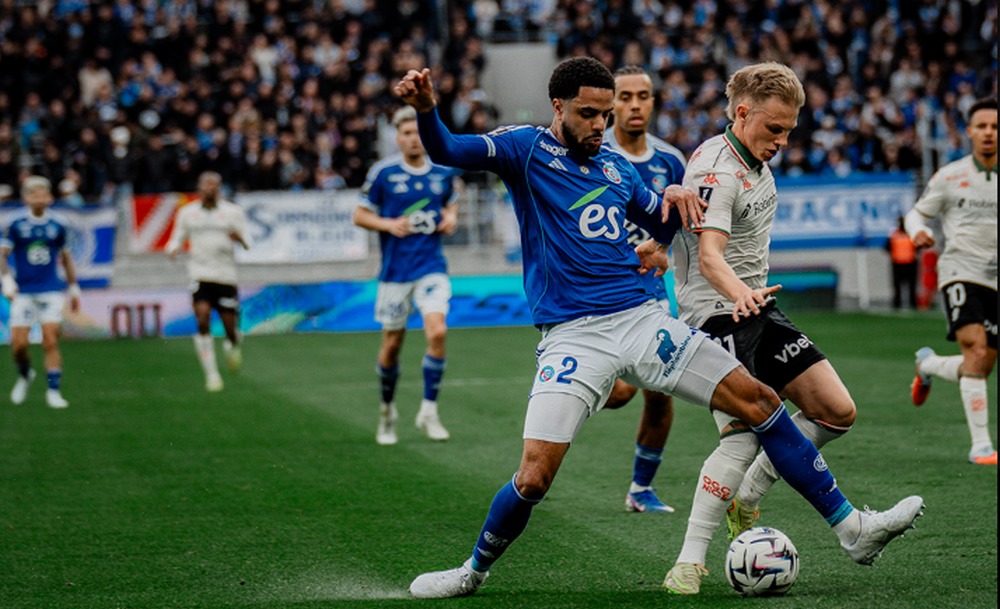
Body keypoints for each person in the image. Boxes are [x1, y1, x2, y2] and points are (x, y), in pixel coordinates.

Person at [393, 57, 923, 600]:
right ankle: (472, 571)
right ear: (558, 106)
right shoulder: (524, 148)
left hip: (641, 320)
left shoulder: (616, 168)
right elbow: (448, 150)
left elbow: (660, 224)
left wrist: (670, 201)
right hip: (572, 335)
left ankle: (851, 529)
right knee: (533, 478)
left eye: (604, 115)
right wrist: (428, 109)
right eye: (588, 114)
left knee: (761, 402)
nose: (600, 125)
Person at [661, 62, 877, 594]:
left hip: (755, 307)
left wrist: (750, 297)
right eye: (773, 128)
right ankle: (688, 562)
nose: (781, 141)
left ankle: (748, 495)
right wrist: (741, 295)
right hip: (718, 314)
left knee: (836, 411)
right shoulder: (717, 171)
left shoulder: (754, 160)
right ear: (742, 113)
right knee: (740, 437)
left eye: (788, 131)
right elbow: (710, 257)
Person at [602, 66, 687, 514]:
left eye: (644, 96)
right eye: (625, 96)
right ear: (611, 103)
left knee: (660, 390)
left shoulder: (671, 161)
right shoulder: (594, 153)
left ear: (653, 102)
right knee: (618, 395)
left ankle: (640, 489)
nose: (635, 104)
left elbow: (685, 227)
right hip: (600, 295)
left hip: (652, 296)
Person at [353, 106, 460, 445]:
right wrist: (388, 224)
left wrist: (451, 218)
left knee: (437, 332)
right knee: (392, 344)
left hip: (431, 267)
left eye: (418, 133)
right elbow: (359, 215)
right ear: (398, 138)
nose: (414, 139)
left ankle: (429, 411)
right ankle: (387, 412)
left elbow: (451, 203)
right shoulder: (383, 173)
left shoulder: (442, 172)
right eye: (407, 133)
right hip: (395, 273)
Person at [907, 98, 998, 465]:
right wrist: (918, 231)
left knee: (981, 364)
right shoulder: (951, 176)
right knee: (975, 350)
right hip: (961, 271)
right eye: (982, 127)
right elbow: (916, 213)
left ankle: (928, 366)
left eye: (995, 127)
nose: (989, 133)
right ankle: (981, 447)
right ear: (969, 132)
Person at [165, 171, 251, 392]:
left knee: (229, 327)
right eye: (206, 185)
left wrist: (239, 238)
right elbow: (177, 237)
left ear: (219, 188)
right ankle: (212, 375)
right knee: (202, 318)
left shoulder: (232, 212)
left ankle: (232, 344)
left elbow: (249, 241)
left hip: (225, 275)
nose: (210, 188)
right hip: (199, 273)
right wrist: (173, 248)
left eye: (214, 185)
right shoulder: (188, 213)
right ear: (199, 188)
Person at [1, 175, 80, 408]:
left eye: (42, 194)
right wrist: (6, 280)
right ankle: (26, 374)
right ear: (25, 198)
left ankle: (53, 391)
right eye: (34, 194)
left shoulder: (58, 224)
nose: (38, 198)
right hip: (24, 291)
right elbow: (2, 255)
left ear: (50, 197)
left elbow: (66, 257)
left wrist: (73, 286)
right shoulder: (16, 224)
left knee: (50, 340)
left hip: (50, 290)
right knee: (19, 345)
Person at [886, 215, 918, 309]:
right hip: (900, 262)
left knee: (910, 286)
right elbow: (887, 247)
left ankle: (911, 303)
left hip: (908, 262)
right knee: (899, 286)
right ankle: (898, 303)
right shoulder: (895, 234)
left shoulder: (909, 234)